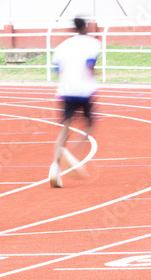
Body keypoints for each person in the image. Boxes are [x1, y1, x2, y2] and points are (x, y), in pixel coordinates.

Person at [49, 17, 101, 188]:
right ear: (85, 27)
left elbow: (57, 70)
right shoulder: (93, 44)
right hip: (84, 90)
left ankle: (55, 166)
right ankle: (72, 155)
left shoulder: (62, 46)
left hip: (66, 90)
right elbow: (90, 66)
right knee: (89, 126)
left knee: (65, 127)